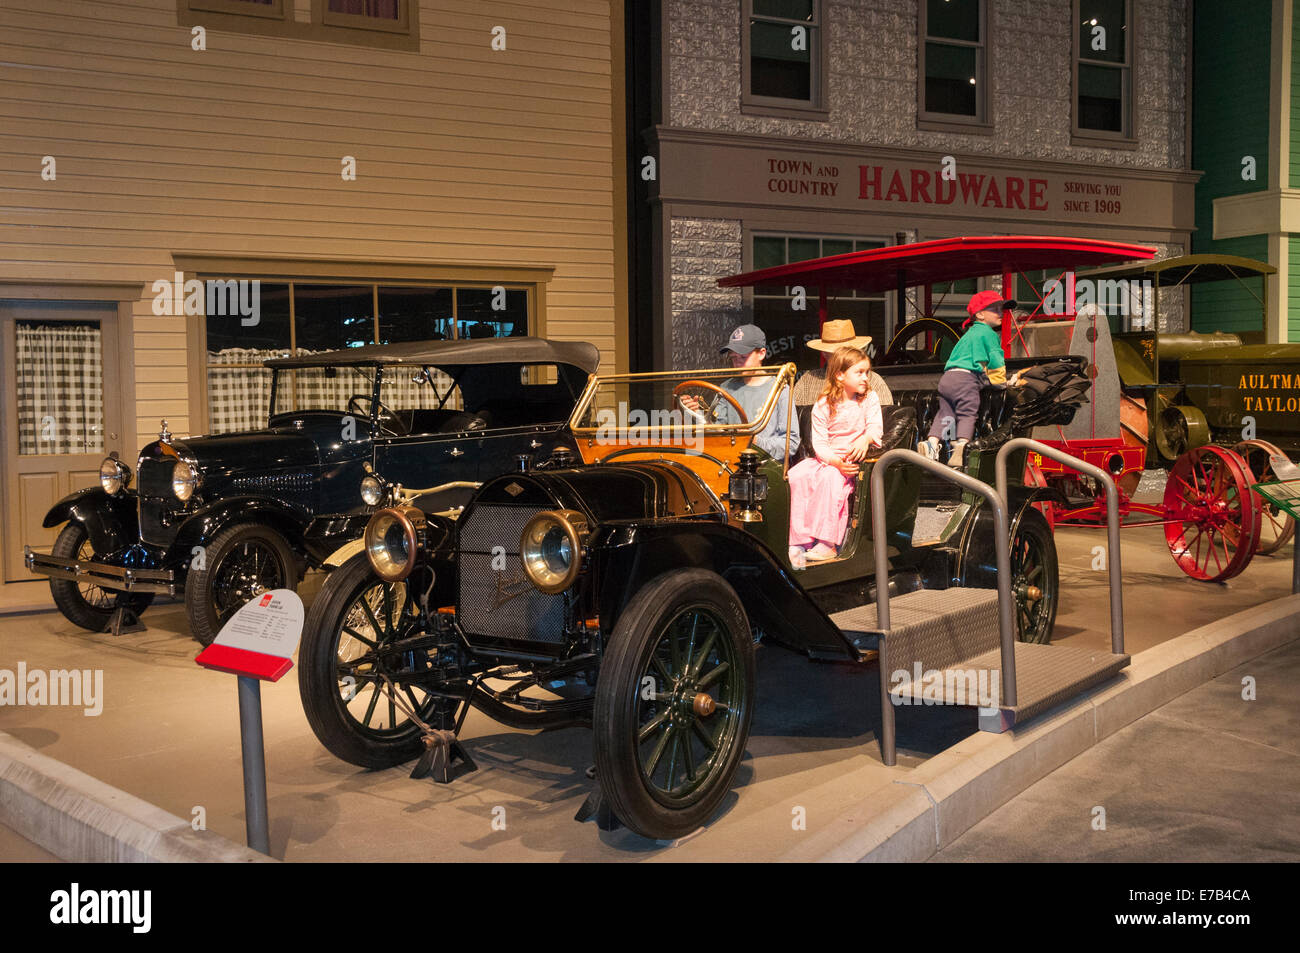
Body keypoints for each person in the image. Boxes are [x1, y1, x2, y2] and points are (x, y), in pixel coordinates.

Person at [787, 345, 884, 564]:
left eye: (867, 372)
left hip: (852, 460)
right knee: (798, 475)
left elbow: (876, 427)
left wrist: (865, 439)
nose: (865, 378)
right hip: (830, 458)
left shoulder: (869, 399)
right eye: (859, 373)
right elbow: (819, 442)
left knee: (830, 479)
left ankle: (828, 542)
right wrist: (833, 461)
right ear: (840, 375)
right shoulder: (824, 403)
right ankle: (801, 539)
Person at [920, 290, 1024, 468]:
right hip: (965, 379)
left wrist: (984, 380)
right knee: (968, 413)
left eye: (1001, 309)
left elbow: (965, 362)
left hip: (948, 378)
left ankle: (931, 443)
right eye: (995, 309)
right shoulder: (989, 334)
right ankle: (961, 445)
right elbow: (996, 359)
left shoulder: (968, 335)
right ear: (980, 314)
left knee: (945, 413)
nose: (1001, 313)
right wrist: (1000, 382)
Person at [685, 324, 799, 459]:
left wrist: (754, 441)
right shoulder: (726, 388)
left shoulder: (780, 390)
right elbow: (717, 432)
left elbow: (791, 443)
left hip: (766, 465)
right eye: (734, 358)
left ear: (762, 353)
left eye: (743, 358)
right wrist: (697, 415)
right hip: (731, 461)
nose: (737, 363)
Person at [793, 319, 893, 407]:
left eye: (846, 351)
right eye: (836, 353)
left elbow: (885, 422)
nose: (842, 357)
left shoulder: (873, 382)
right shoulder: (806, 382)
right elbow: (792, 421)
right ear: (824, 353)